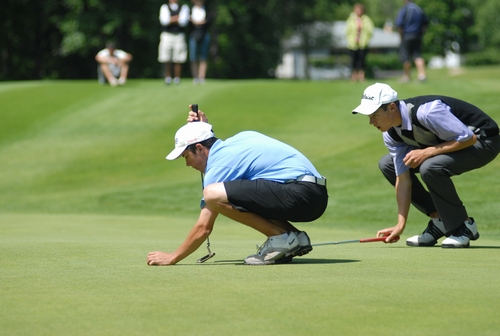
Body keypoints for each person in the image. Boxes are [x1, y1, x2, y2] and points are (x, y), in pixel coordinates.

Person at [147, 108, 328, 266]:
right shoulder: (239, 140)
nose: (187, 164)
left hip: (301, 195)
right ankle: (295, 237)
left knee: (212, 194)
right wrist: (201, 128)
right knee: (236, 192)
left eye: (186, 156)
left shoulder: (221, 165)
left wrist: (172, 257)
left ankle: (281, 239)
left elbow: (204, 227)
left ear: (200, 148)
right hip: (314, 195)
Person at [352, 83, 500, 248]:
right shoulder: (390, 132)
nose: (371, 122)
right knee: (388, 164)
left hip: (484, 141)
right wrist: (400, 224)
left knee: (430, 166)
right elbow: (403, 179)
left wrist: (427, 152)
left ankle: (464, 226)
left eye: (375, 115)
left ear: (392, 107)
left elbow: (468, 138)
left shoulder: (427, 112)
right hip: (451, 142)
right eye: (369, 116)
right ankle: (439, 220)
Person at [395, 0, 429, 83]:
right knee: (417, 55)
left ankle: (406, 77)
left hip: (407, 35)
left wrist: (401, 37)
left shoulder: (404, 9)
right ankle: (422, 75)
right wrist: (421, 33)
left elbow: (399, 24)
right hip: (417, 35)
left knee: (405, 56)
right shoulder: (419, 9)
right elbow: (426, 23)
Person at [158, 0, 190, 85]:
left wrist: (171, 19)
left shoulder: (184, 7)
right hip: (167, 34)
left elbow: (183, 22)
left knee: (179, 58)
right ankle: (167, 78)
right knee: (166, 58)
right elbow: (164, 21)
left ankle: (177, 78)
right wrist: (177, 18)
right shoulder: (164, 7)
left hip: (179, 35)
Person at [345, 3, 374, 82]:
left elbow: (370, 31)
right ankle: (354, 77)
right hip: (353, 44)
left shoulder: (366, 19)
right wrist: (350, 39)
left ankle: (361, 76)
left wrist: (366, 40)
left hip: (363, 44)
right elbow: (347, 31)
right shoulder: (351, 19)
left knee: (362, 61)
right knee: (353, 61)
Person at [189, 0, 212, 84]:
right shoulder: (190, 10)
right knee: (193, 57)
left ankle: (201, 77)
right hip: (193, 35)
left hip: (204, 34)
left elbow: (209, 21)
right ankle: (195, 77)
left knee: (203, 57)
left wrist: (196, 22)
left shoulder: (206, 9)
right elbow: (188, 22)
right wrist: (200, 22)